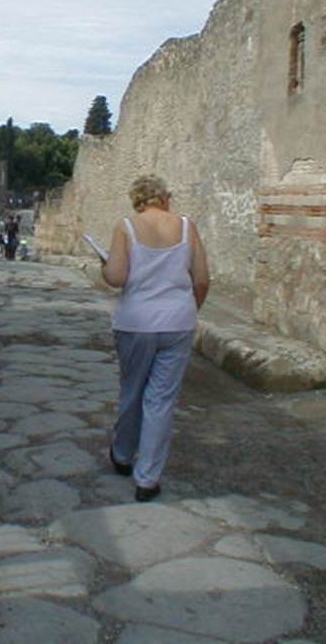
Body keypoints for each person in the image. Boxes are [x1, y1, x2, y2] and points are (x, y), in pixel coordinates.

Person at [101, 174, 210, 502]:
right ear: (164, 197)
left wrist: (103, 267)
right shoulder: (187, 226)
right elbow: (202, 279)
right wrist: (189, 310)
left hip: (135, 322)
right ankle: (147, 478)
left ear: (137, 200)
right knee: (161, 400)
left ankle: (122, 456)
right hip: (177, 322)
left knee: (132, 390)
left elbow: (117, 278)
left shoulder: (126, 227)